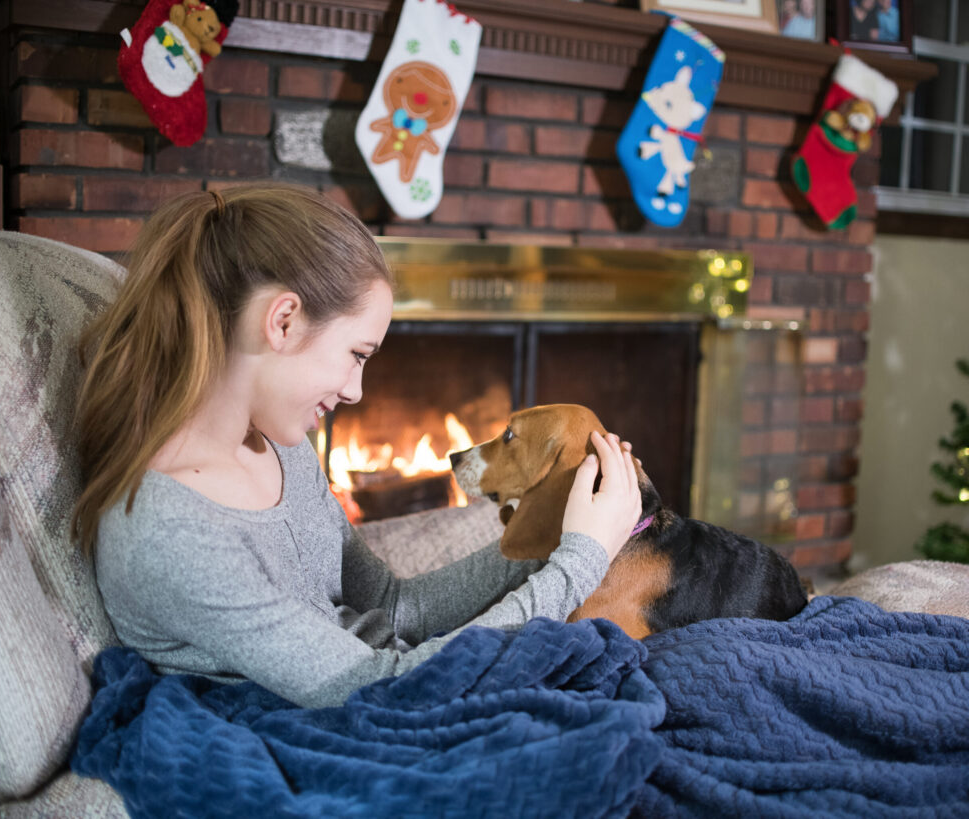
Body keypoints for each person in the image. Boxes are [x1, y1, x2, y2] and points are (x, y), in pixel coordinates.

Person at [73, 183, 643, 709]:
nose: (356, 391)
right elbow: (384, 687)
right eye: (356, 355)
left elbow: (393, 608)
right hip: (333, 713)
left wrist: (555, 534)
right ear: (284, 322)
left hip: (381, 679)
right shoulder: (170, 530)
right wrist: (578, 562)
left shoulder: (281, 444)